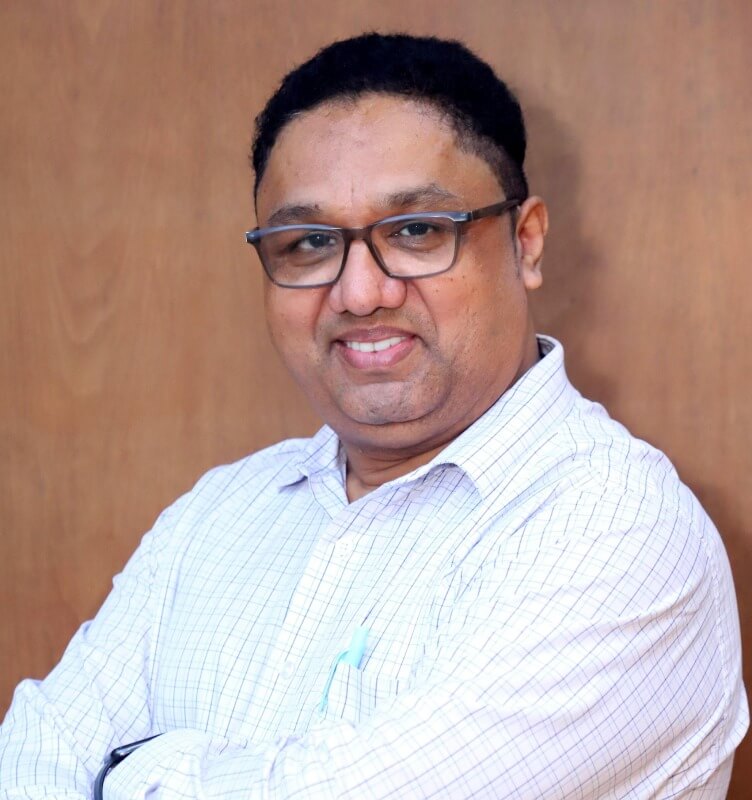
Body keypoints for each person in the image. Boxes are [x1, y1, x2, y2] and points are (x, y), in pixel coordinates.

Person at [0, 32, 747, 800]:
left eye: (418, 231)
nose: (359, 293)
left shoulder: (618, 524)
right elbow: (33, 755)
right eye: (309, 242)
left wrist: (129, 772)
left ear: (526, 243)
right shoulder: (217, 516)